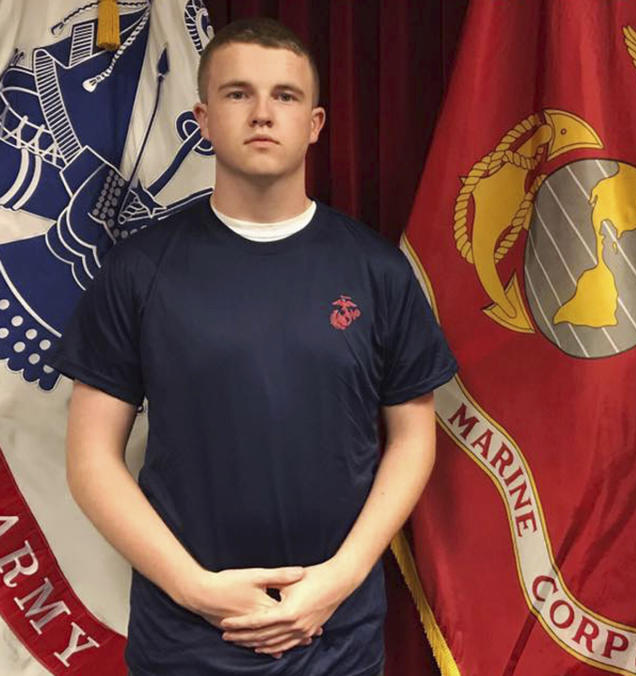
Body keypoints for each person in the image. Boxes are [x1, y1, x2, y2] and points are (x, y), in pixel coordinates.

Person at [51, 17, 457, 676]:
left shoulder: (376, 272)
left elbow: (413, 438)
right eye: (239, 94)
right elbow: (90, 459)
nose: (263, 113)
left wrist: (339, 579)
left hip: (335, 634)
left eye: (285, 96)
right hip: (185, 640)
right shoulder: (139, 271)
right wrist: (193, 588)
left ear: (316, 123)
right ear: (204, 119)